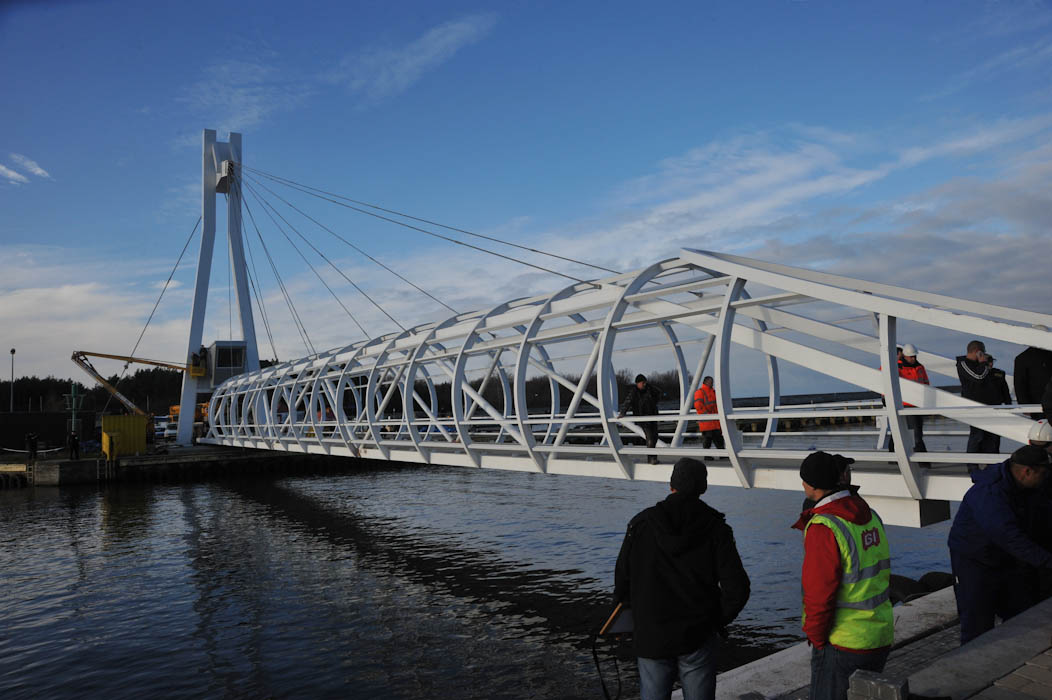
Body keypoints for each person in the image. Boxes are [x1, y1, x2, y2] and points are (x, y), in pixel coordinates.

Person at [614, 457, 750, 700]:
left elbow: (623, 579)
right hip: (697, 633)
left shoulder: (641, 524)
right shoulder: (716, 528)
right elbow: (737, 588)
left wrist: (622, 619)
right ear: (703, 488)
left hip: (651, 632)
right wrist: (717, 621)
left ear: (671, 484)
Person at [793, 451, 893, 700]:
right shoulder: (869, 515)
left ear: (813, 486)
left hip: (844, 641)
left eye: (803, 480)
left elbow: (819, 593)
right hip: (878, 632)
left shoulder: (824, 527)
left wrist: (815, 637)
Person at [947, 445, 1052, 644]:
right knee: (977, 623)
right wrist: (1048, 561)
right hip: (974, 560)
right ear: (1027, 471)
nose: (1046, 478)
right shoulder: (990, 494)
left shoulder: (1026, 488)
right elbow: (1011, 538)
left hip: (1004, 557)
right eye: (1043, 473)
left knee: (1021, 612)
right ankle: (972, 666)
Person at [957, 340, 1008, 455]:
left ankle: (991, 463)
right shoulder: (963, 364)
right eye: (983, 352)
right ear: (978, 352)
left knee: (992, 436)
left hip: (990, 406)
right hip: (974, 407)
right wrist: (983, 362)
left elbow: (1001, 388)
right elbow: (979, 376)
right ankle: (972, 464)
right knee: (977, 436)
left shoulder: (989, 369)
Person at [618, 374, 664, 465]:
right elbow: (627, 402)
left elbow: (659, 393)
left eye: (645, 382)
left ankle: (653, 458)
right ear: (637, 383)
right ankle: (651, 459)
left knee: (655, 437)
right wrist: (622, 412)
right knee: (650, 437)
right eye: (642, 383)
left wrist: (651, 388)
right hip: (642, 417)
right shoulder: (634, 392)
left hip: (652, 416)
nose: (644, 384)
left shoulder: (650, 389)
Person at [893, 344, 929, 452]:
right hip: (905, 404)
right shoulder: (897, 366)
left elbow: (926, 383)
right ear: (905, 356)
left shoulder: (920, 367)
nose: (913, 358)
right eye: (911, 356)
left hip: (918, 404)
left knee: (918, 431)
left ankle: (912, 455)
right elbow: (886, 380)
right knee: (913, 432)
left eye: (914, 356)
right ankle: (921, 457)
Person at [1014, 336, 1052, 419]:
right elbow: (1020, 384)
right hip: (1036, 405)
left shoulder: (1021, 358)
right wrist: (1024, 405)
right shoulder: (1022, 358)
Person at [693, 376, 724, 456]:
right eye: (711, 381)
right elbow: (698, 405)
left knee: (719, 439)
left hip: (715, 421)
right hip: (707, 422)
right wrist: (707, 415)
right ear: (706, 382)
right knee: (708, 440)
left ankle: (722, 455)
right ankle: (707, 456)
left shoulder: (713, 392)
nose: (712, 383)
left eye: (712, 381)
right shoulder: (700, 392)